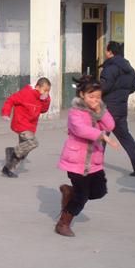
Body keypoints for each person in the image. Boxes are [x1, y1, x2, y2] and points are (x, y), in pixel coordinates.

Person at [55, 76, 119, 237]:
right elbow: (80, 129)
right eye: (91, 96)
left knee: (100, 191)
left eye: (98, 97)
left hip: (94, 161)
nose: (95, 100)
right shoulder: (75, 112)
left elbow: (110, 125)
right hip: (76, 162)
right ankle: (63, 223)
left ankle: (70, 192)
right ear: (82, 95)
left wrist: (100, 111)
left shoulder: (98, 110)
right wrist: (101, 135)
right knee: (81, 196)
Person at [100, 41, 135, 176]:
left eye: (106, 50)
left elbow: (104, 87)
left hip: (108, 108)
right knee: (126, 138)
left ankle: (94, 169)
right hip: (121, 108)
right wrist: (123, 93)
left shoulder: (110, 68)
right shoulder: (128, 67)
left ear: (110, 52)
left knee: (100, 138)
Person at [0, 78, 51, 178]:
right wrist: (6, 113)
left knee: (23, 151)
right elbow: (11, 100)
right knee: (33, 143)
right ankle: (12, 151)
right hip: (21, 124)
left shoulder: (42, 98)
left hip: (30, 126)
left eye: (48, 91)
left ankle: (7, 169)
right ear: (37, 87)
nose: (46, 93)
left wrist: (45, 100)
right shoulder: (26, 93)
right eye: (45, 90)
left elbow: (43, 110)